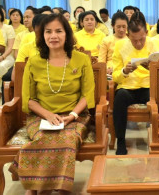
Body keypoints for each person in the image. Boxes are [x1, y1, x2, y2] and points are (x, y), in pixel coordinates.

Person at [8, 13, 95, 194]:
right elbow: (29, 100)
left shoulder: (82, 59)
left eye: (58, 31)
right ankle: (37, 186)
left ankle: (58, 187)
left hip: (75, 116)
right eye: (48, 32)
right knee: (42, 138)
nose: (53, 36)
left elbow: (87, 96)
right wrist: (48, 115)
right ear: (42, 35)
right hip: (40, 116)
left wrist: (71, 116)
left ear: (67, 34)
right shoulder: (34, 62)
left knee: (67, 139)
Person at [112, 15, 159, 155]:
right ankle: (120, 141)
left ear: (146, 32)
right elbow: (115, 76)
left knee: (158, 97)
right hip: (128, 87)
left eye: (142, 39)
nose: (139, 44)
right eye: (134, 40)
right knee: (120, 97)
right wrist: (125, 71)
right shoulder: (120, 46)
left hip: (148, 86)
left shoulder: (155, 44)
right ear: (128, 36)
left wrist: (152, 68)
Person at [99, 11, 129, 75]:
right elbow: (101, 61)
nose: (121, 29)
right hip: (110, 70)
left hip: (128, 69)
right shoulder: (106, 40)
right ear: (113, 26)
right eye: (118, 27)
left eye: (124, 26)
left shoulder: (131, 40)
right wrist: (106, 69)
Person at [0, 6, 15, 98]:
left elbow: (10, 47)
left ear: (1, 15)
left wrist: (2, 57)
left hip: (7, 56)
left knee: (0, 66)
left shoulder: (8, 28)